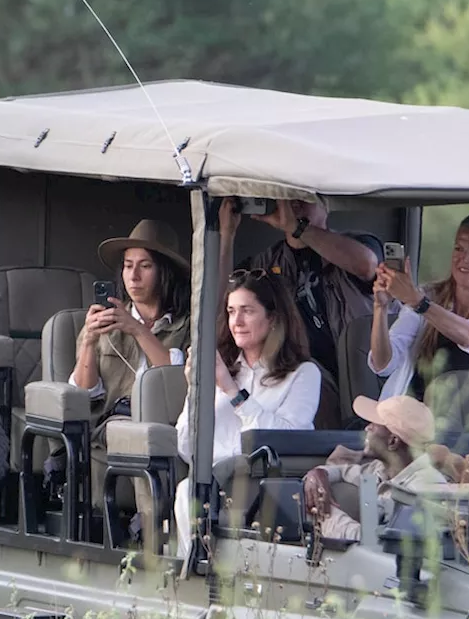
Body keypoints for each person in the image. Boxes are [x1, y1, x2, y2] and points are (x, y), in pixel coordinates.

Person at [172, 269, 323, 556]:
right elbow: (185, 448)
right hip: (213, 482)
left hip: (265, 486)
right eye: (231, 311)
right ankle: (193, 578)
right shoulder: (221, 368)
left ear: (273, 318)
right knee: (187, 490)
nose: (236, 322)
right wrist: (195, 389)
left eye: (247, 311)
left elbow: (288, 440)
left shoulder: (303, 374)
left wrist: (233, 392)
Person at [66, 219, 192, 527]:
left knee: (152, 435)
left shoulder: (186, 324)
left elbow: (176, 380)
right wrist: (89, 342)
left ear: (164, 272)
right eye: (127, 265)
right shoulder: (103, 324)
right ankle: (148, 528)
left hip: (171, 423)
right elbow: (83, 392)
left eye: (145, 266)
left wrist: (136, 329)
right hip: (114, 421)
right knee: (137, 435)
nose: (133, 276)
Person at [218, 195, 382, 379]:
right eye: (286, 196)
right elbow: (223, 299)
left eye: (304, 196)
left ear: (326, 204)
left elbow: (366, 265)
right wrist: (227, 235)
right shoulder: (266, 261)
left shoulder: (356, 243)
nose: (294, 202)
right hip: (292, 373)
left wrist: (297, 227)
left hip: (354, 372)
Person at [369, 211, 469, 401]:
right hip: (409, 417)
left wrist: (418, 301)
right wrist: (380, 308)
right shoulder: (429, 295)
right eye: (459, 249)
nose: (465, 259)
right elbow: (383, 364)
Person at [302, 395, 469, 542]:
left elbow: (376, 545)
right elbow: (342, 471)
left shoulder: (423, 488)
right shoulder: (382, 469)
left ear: (393, 441)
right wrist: (317, 474)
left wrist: (324, 514)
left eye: (374, 425)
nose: (367, 428)